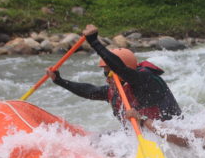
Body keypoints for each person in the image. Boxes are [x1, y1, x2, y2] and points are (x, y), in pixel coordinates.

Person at [47, 24, 182, 125]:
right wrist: (59, 80)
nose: (107, 79)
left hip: (174, 134)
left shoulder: (145, 79)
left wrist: (94, 42)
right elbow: (89, 91)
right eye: (105, 74)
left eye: (110, 73)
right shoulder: (115, 92)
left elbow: (121, 69)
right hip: (145, 137)